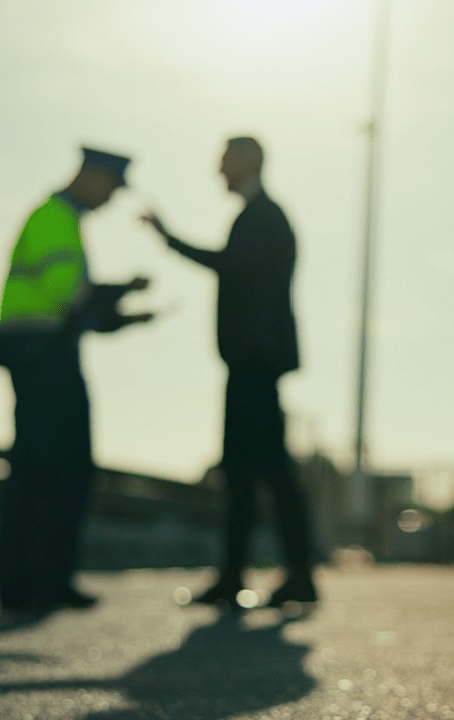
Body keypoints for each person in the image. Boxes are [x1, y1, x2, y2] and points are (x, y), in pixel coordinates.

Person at [141, 136, 316, 608]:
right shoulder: (260, 216)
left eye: (224, 160)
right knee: (251, 472)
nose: (217, 169)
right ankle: (255, 574)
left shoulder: (264, 217)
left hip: (255, 363)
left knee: (260, 473)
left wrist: (169, 238)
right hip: (252, 361)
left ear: (247, 162)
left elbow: (229, 266)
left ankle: (277, 575)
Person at [0, 146, 154, 612]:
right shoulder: (56, 219)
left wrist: (125, 314)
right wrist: (120, 293)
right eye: (112, 189)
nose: (111, 201)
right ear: (93, 177)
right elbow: (69, 298)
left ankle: (27, 583)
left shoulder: (54, 218)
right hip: (45, 355)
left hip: (35, 351)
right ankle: (43, 581)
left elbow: (74, 304)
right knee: (62, 471)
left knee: (35, 468)